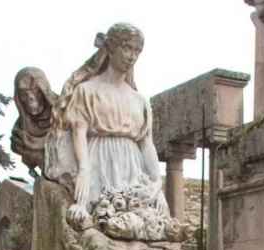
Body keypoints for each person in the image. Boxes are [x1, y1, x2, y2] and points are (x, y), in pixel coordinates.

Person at [48, 23, 168, 227]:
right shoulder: (87, 91)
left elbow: (146, 144)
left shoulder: (139, 100)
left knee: (138, 223)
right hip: (99, 161)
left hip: (132, 165)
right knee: (99, 219)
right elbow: (79, 132)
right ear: (111, 49)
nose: (132, 56)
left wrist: (157, 182)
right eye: (127, 48)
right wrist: (84, 171)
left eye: (137, 51)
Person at [11, 67, 56, 175]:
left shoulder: (66, 114)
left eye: (35, 90)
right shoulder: (20, 132)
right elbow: (18, 147)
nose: (30, 97)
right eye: (23, 93)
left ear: (44, 90)